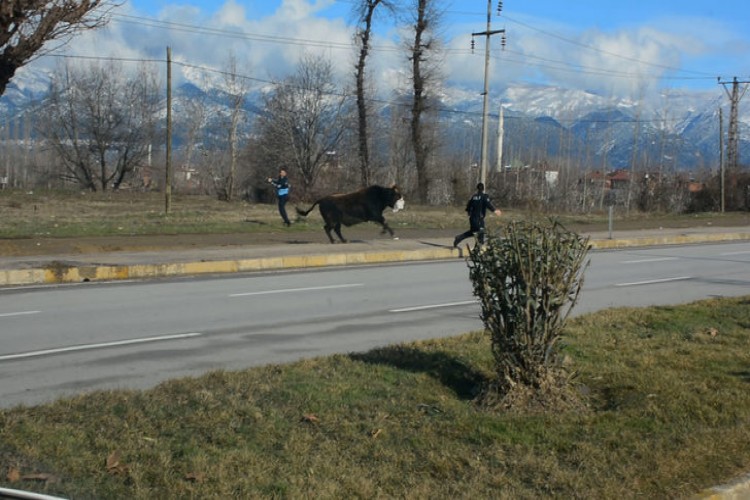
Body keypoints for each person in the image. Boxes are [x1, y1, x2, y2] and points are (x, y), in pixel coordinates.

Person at [453, 182, 502, 248]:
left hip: (472, 218)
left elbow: (468, 207)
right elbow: (488, 204)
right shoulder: (484, 197)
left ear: (477, 188)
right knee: (480, 234)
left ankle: (459, 238)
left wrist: (469, 213)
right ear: (483, 188)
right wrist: (495, 210)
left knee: (473, 231)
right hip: (479, 218)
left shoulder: (473, 197)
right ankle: (477, 250)